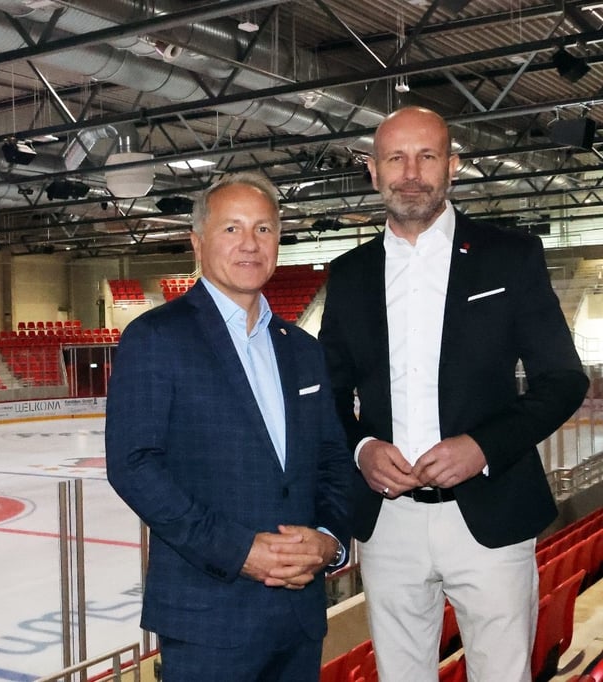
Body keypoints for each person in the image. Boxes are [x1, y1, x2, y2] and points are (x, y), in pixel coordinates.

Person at [318, 106, 588, 682]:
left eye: (427, 156)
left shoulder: (510, 256)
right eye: (396, 157)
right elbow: (329, 395)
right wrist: (363, 448)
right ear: (373, 170)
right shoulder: (349, 275)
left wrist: (482, 447)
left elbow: (563, 380)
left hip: (490, 516)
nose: (411, 172)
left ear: (453, 166)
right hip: (388, 522)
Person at [106, 171, 353, 682]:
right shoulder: (155, 337)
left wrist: (330, 540)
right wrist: (240, 551)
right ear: (197, 241)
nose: (250, 244)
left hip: (299, 617)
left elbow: (332, 459)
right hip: (208, 619)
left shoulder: (303, 350)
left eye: (264, 229)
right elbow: (133, 466)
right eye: (232, 229)